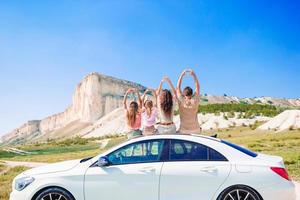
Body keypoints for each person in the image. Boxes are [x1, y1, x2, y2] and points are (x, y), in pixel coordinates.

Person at [176, 69, 201, 134]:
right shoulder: (195, 100)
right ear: (192, 93)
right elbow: (197, 87)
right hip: (196, 129)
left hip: (183, 130)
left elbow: (178, 87)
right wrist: (194, 75)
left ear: (184, 93)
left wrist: (182, 75)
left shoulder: (181, 100)